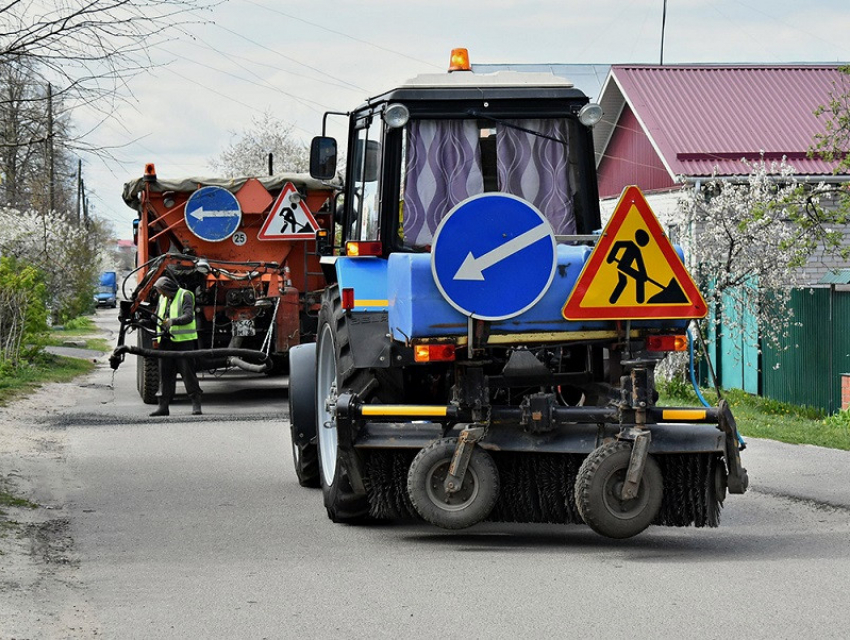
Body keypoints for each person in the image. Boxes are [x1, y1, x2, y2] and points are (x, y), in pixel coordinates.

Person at [149, 276, 202, 417]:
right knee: (165, 375)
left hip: (183, 342)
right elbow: (158, 315)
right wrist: (153, 318)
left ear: (168, 288)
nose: (161, 294)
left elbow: (189, 316)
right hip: (166, 342)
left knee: (188, 374)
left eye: (162, 291)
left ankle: (196, 405)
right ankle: (163, 407)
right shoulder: (163, 298)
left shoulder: (185, 295)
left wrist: (173, 322)